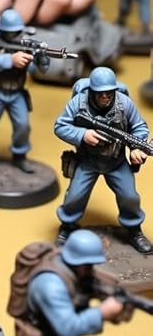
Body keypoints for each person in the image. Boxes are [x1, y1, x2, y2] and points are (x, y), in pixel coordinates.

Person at [54, 66, 152, 253]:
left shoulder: (124, 103)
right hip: (87, 160)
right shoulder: (78, 103)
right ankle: (67, 226)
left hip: (116, 161)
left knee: (129, 197)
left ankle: (134, 230)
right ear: (92, 91)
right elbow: (60, 126)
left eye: (109, 93)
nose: (105, 97)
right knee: (74, 196)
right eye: (101, 93)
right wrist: (82, 134)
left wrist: (136, 148)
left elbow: (139, 127)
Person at [0, 8, 49, 172]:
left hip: (17, 92)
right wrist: (10, 59)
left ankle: (19, 156)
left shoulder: (26, 43)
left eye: (16, 32)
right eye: (9, 32)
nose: (13, 35)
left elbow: (39, 71)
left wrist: (40, 58)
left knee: (23, 125)